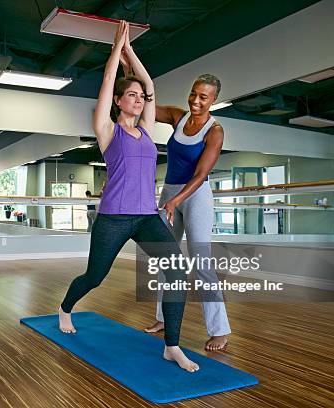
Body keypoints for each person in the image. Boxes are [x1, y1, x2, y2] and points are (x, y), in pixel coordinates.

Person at [58, 21, 199, 372]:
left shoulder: (148, 131)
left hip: (147, 216)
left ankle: (172, 346)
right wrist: (113, 52)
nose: (138, 100)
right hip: (114, 218)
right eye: (131, 96)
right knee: (95, 276)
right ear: (119, 102)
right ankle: (64, 308)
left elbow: (150, 84)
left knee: (178, 273)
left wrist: (129, 50)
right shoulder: (107, 131)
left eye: (140, 97)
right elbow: (107, 83)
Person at [130, 70, 231, 351]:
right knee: (166, 258)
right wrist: (131, 74)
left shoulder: (214, 131)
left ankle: (220, 330)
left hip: (196, 195)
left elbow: (200, 175)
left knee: (201, 263)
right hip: (170, 192)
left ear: (213, 100)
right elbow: (145, 108)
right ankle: (164, 318)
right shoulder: (178, 117)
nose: (195, 101)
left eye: (203, 97)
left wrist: (176, 201)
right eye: (193, 93)